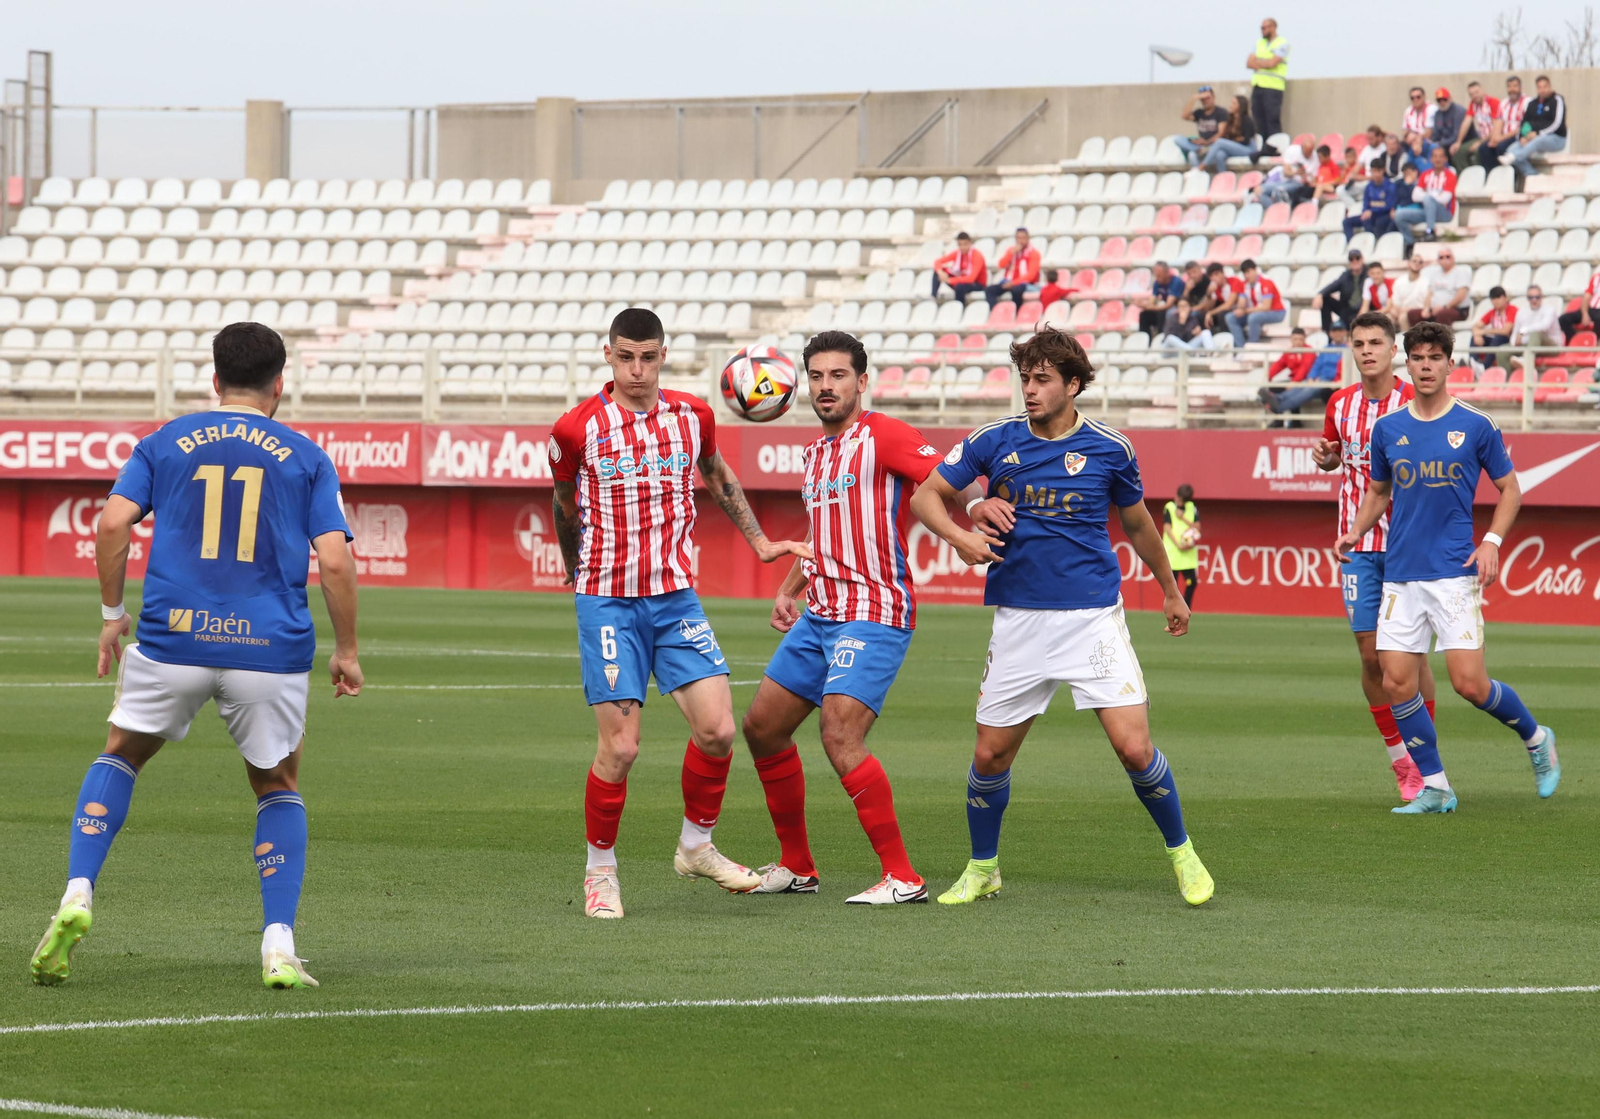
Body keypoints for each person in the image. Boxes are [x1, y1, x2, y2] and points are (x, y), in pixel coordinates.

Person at [29, 322, 364, 991]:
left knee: (121, 751)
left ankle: (77, 891)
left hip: (175, 635)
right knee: (277, 784)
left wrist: (110, 616)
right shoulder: (304, 455)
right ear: (279, 383)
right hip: (267, 646)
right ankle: (277, 945)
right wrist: (347, 649)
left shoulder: (165, 441)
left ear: (214, 380)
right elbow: (333, 559)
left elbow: (112, 523)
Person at [909, 327, 1213, 908]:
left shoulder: (1111, 448)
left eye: (1042, 378)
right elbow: (926, 496)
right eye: (1024, 377)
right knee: (990, 755)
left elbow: (1139, 525)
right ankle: (983, 867)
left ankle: (1183, 853)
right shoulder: (993, 440)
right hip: (1019, 620)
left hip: (1092, 618)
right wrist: (962, 533)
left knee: (1134, 749)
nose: (1029, 388)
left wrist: (1172, 591)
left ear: (1073, 385)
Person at [547, 308, 810, 920]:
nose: (637, 370)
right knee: (622, 749)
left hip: (674, 599)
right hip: (608, 600)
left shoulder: (694, 416)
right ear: (608, 356)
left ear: (663, 356)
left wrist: (763, 544)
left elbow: (715, 474)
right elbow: (564, 503)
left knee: (719, 732)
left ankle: (696, 846)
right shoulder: (575, 429)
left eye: (648, 356)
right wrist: (572, 566)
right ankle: (600, 872)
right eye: (625, 357)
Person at [740, 331, 953, 903]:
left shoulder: (881, 433)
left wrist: (974, 512)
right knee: (762, 728)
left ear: (862, 381)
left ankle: (902, 877)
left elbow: (943, 479)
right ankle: (798, 866)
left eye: (838, 376)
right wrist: (790, 587)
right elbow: (824, 532)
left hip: (874, 609)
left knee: (840, 733)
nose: (825, 386)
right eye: (816, 376)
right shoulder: (816, 454)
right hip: (820, 612)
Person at [1336, 320, 1559, 814]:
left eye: (1435, 357)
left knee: (1469, 684)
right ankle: (1436, 786)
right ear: (1407, 363)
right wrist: (1356, 529)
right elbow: (1378, 491)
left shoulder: (1476, 425)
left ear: (1449, 364)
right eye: (1418, 357)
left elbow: (1511, 490)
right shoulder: (1388, 428)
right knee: (1396, 680)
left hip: (1454, 572)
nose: (1426, 365)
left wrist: (1492, 542)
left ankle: (1536, 736)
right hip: (1400, 573)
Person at [1310, 312, 1429, 802]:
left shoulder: (1415, 401)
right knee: (1369, 654)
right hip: (1357, 545)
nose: (1367, 351)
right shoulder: (1340, 403)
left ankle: (1428, 765)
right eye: (1359, 343)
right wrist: (1329, 459)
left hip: (1409, 545)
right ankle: (1401, 761)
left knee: (1410, 662)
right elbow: (1338, 453)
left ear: (1393, 348)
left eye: (1376, 342)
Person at [1262, 323, 1344, 423]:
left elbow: (1305, 369)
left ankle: (1279, 408)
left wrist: (1333, 380)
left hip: (1330, 381)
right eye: (1335, 331)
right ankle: (1278, 400)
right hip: (1317, 379)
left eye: (1340, 331)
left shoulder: (1346, 349)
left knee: (1306, 388)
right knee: (1301, 385)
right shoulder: (1326, 348)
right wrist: (1312, 377)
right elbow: (1317, 365)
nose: (1337, 334)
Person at [1394, 144, 1457, 251]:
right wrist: (1435, 194)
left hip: (1444, 213)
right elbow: (1415, 196)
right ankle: (1410, 243)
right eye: (1435, 156)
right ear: (1431, 159)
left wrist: (1427, 194)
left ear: (1446, 159)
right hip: (1427, 211)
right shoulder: (1425, 174)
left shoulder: (1450, 175)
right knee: (1399, 215)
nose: (1438, 159)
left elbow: (1445, 199)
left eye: (1441, 156)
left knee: (1428, 199)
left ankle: (1430, 231)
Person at [1505, 75, 1567, 180]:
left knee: (1537, 141)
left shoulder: (1557, 100)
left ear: (1550, 86)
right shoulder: (1532, 103)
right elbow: (1525, 123)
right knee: (1511, 149)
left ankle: (1515, 157)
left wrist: (1538, 133)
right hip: (1533, 139)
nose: (1542, 90)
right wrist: (1522, 137)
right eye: (1539, 87)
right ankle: (1532, 175)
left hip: (1556, 139)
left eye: (1545, 86)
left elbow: (1557, 123)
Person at [1247, 16, 1290, 149]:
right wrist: (1264, 62)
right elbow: (1249, 63)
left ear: (1273, 27)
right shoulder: (1259, 43)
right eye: (1261, 28)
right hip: (1258, 86)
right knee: (1258, 120)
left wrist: (1258, 62)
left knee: (1272, 120)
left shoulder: (1282, 43)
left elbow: (1273, 63)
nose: (1263, 30)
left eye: (1265, 27)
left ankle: (1275, 148)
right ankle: (1262, 148)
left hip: (1273, 87)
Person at [1225, 258, 1285, 345]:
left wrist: (1245, 311)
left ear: (1255, 270)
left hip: (1276, 312)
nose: (1246, 275)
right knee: (1230, 317)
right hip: (1256, 312)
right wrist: (1240, 308)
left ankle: (1252, 346)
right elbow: (1242, 303)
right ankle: (1241, 347)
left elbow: (1266, 307)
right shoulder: (1244, 285)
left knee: (1253, 318)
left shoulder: (1266, 283)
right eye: (1244, 273)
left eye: (1248, 272)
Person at [1478, 75, 1529, 171]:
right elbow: (1499, 121)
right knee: (1484, 148)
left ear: (1520, 88)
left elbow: (1522, 126)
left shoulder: (1527, 102)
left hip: (1518, 136)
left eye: (1515, 86)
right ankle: (1491, 176)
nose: (1512, 89)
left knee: (1501, 147)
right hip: (1503, 136)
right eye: (1509, 86)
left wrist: (1501, 138)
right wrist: (1495, 137)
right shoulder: (1504, 103)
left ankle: (1511, 177)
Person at [1163, 484, 1202, 607]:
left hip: (1188, 555)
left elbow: (1197, 528)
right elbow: (1167, 528)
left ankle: (1186, 607)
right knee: (1171, 587)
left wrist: (1183, 518)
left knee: (1192, 582)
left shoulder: (1192, 508)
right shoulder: (1169, 507)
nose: (1178, 500)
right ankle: (1172, 609)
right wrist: (1178, 544)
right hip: (1173, 554)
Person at [1410, 248, 1471, 327]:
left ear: (1453, 258)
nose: (1444, 259)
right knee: (1412, 314)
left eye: (1447, 256)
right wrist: (1426, 309)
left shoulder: (1461, 272)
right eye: (1441, 257)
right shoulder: (1435, 274)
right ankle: (1418, 338)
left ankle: (1440, 339)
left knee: (1443, 314)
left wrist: (1444, 307)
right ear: (1438, 260)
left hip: (1456, 309)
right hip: (1435, 309)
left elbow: (1461, 295)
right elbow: (1430, 294)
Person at [1174, 86, 1232, 168]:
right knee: (1178, 140)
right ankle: (1198, 173)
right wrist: (1194, 98)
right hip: (1200, 147)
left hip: (1214, 146)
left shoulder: (1221, 112)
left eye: (1207, 98)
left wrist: (1207, 142)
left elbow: (1221, 133)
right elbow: (1184, 116)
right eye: (1202, 99)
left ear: (1213, 97)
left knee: (1219, 155)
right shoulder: (1199, 113)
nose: (1205, 101)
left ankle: (1199, 170)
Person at [1311, 249, 1366, 333]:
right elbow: (1333, 286)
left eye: (1357, 258)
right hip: (1347, 310)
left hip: (1363, 309)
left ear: (1362, 259)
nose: (1355, 261)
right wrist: (1320, 295)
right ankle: (1327, 332)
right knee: (1326, 299)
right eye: (1351, 259)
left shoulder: (1369, 274)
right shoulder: (1345, 275)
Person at [986, 227, 1041, 309]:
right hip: (1010, 282)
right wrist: (1011, 254)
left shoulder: (1034, 253)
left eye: (1023, 238)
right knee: (989, 290)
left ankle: (1016, 313)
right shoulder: (1012, 251)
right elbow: (1001, 265)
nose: (1021, 241)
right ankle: (995, 312)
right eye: (1018, 238)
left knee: (1016, 290)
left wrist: (1014, 283)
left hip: (1026, 284)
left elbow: (1031, 276)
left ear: (1028, 239)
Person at [1342, 160, 1397, 240]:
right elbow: (1366, 203)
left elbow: (1389, 205)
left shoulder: (1390, 186)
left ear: (1383, 170)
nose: (1377, 174)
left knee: (1375, 222)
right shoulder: (1369, 187)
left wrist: (1372, 211)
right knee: (1346, 222)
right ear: (1371, 171)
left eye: (1379, 171)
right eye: (1374, 171)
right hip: (1370, 214)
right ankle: (1351, 245)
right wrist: (1365, 211)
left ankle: (1372, 243)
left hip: (1383, 215)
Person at [1202, 95, 1257, 172]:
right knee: (1220, 154)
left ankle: (1202, 166)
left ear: (1240, 106)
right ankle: (1223, 178)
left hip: (1248, 149)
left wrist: (1232, 142)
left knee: (1219, 142)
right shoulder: (1230, 120)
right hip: (1237, 148)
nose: (1230, 106)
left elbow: (1246, 140)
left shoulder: (1247, 120)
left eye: (1234, 103)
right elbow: (1227, 138)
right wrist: (1235, 141)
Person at [1257, 135, 1316, 204]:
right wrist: (1295, 173)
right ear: (1302, 147)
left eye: (1310, 151)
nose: (1309, 154)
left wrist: (1307, 180)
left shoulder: (1315, 157)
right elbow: (1286, 173)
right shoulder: (1292, 150)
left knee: (1279, 191)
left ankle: (1284, 211)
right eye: (1307, 151)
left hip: (1299, 184)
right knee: (1260, 190)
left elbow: (1314, 181)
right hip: (1287, 180)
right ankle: (1272, 211)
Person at [1457, 81, 1501, 171]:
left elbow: (1496, 128)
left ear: (1482, 91)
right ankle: (1466, 177)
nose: (1474, 96)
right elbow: (1466, 123)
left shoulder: (1493, 102)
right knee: (1459, 152)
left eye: (1476, 92)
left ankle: (1482, 179)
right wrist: (1458, 142)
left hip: (1492, 138)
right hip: (1481, 137)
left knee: (1478, 152)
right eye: (1471, 94)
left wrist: (1480, 143)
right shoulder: (1473, 104)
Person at [1472, 286, 1517, 369]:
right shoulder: (1492, 312)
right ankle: (1472, 363)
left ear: (1505, 298)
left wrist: (1484, 331)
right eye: (1493, 298)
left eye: (1498, 297)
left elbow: (1506, 331)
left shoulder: (1512, 310)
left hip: (1509, 341)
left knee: (1499, 337)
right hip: (1496, 341)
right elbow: (1476, 326)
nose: (1495, 301)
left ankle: (1484, 367)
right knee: (1474, 338)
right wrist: (1476, 335)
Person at [932, 232, 987, 301]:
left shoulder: (977, 256)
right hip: (962, 279)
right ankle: (933, 297)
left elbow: (971, 279)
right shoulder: (958, 253)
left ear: (970, 243)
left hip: (977, 284)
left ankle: (960, 306)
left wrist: (949, 280)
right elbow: (937, 261)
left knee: (959, 287)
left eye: (965, 244)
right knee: (938, 272)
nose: (963, 247)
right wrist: (940, 273)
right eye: (960, 244)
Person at [1136, 261, 1184, 338]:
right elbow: (1152, 300)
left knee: (1162, 313)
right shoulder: (1157, 283)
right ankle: (1144, 338)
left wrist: (1151, 307)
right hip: (1164, 308)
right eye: (1156, 275)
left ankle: (1161, 336)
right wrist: (1143, 304)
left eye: (1159, 275)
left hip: (1176, 308)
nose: (1157, 278)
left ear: (1167, 273)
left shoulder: (1176, 282)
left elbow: (1169, 304)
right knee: (1144, 315)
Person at [1388, 252, 1428, 329]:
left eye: (1420, 262)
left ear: (1422, 265)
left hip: (1418, 312)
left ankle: (1405, 340)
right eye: (1414, 261)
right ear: (1408, 263)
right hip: (1401, 311)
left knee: (1403, 317)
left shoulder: (1426, 282)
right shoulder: (1399, 281)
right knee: (1387, 318)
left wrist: (1406, 310)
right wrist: (1395, 311)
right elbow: (1396, 301)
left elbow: (1425, 305)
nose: (1417, 263)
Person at [1557, 270, 1600, 341]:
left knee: (1598, 319)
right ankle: (1575, 341)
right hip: (1592, 309)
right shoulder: (1596, 277)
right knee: (1563, 319)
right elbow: (1586, 296)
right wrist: (1585, 314)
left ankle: (1593, 343)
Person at [1430, 89, 1468, 166]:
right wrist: (1430, 142)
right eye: (1439, 100)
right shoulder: (1438, 113)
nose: (1442, 102)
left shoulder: (1458, 111)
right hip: (1444, 143)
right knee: (1431, 149)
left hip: (1462, 141)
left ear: (1450, 98)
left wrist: (1440, 143)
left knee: (1451, 151)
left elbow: (1456, 135)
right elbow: (1436, 134)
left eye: (1444, 99)